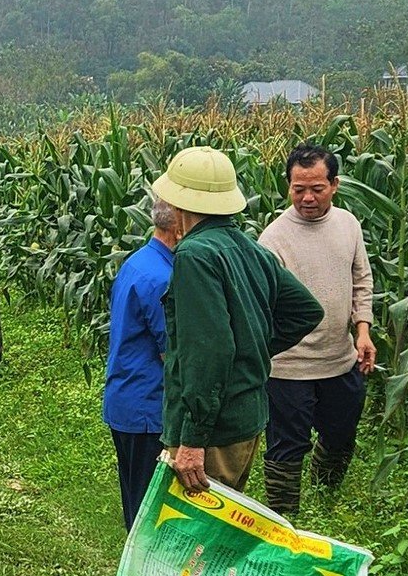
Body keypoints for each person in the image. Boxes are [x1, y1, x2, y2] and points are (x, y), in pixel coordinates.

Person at [155, 146, 323, 497]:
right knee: (224, 525)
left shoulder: (195, 255)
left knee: (195, 538)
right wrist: (254, 346)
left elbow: (208, 352)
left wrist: (192, 440)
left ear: (179, 201)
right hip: (246, 419)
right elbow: (306, 310)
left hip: (214, 430)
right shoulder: (250, 248)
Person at [258, 142, 376, 520]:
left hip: (340, 359)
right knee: (286, 447)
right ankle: (284, 520)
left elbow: (361, 280)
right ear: (288, 186)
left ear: (334, 184)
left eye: (316, 188)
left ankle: (326, 501)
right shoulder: (273, 238)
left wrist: (363, 330)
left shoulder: (348, 225)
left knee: (341, 436)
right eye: (298, 189)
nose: (307, 197)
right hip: (289, 368)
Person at [102, 194, 191, 528]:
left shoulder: (138, 261)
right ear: (179, 229)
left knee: (134, 499)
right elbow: (172, 353)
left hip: (127, 400)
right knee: (148, 509)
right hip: (149, 408)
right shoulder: (162, 278)